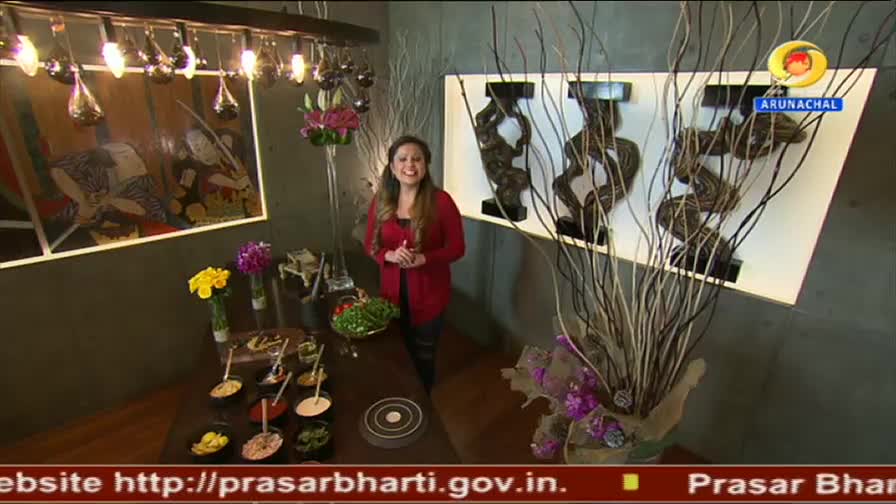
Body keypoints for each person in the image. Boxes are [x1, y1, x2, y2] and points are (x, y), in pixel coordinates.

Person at [364, 135, 465, 395]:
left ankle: (423, 404)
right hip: (391, 295)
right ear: (392, 165)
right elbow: (370, 245)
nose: (410, 165)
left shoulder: (442, 202)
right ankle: (401, 400)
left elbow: (457, 248)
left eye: (417, 158)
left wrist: (425, 258)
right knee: (396, 351)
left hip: (430, 295)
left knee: (423, 354)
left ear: (426, 164)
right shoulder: (381, 200)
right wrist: (387, 255)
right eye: (403, 159)